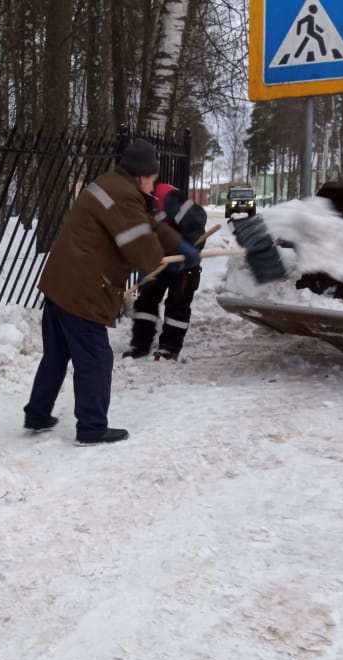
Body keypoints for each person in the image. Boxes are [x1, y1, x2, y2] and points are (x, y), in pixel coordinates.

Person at [22, 138, 201, 446]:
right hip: (83, 290)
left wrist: (177, 244)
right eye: (153, 176)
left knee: (56, 355)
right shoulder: (124, 197)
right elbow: (142, 248)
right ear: (142, 174)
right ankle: (91, 428)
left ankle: (37, 415)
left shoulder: (110, 186)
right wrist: (166, 260)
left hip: (59, 283)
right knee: (96, 359)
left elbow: (146, 224)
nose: (154, 182)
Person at [123, 183, 207, 361]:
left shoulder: (165, 195)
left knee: (177, 305)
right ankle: (140, 345)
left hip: (184, 262)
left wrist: (188, 248)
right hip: (159, 259)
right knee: (146, 300)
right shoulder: (134, 208)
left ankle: (170, 347)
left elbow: (197, 218)